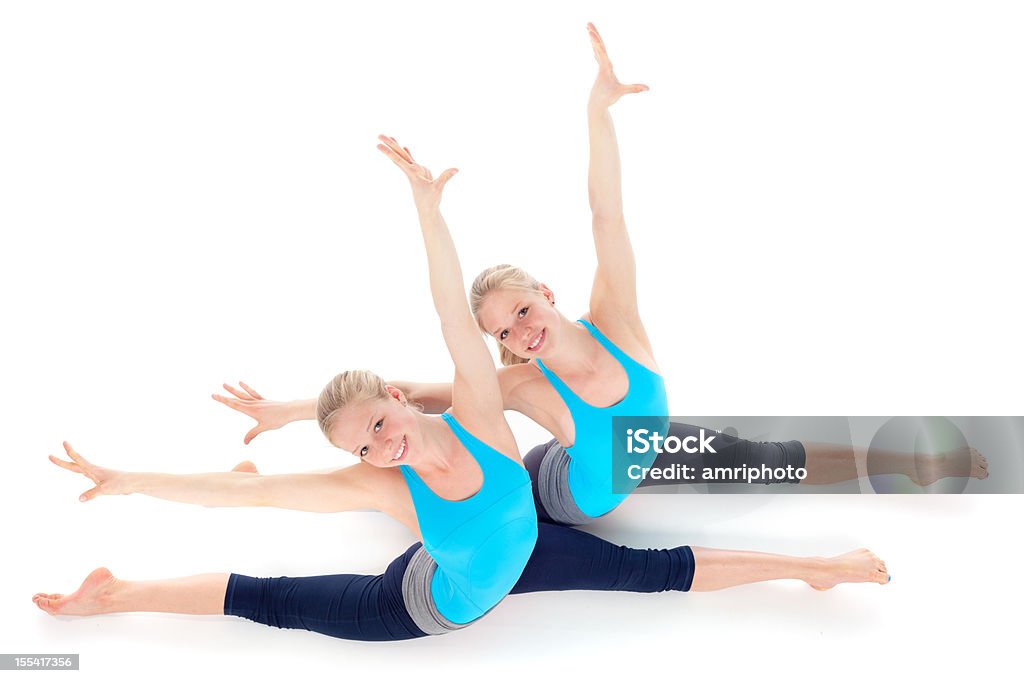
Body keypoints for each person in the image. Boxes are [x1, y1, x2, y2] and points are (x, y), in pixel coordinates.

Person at [34, 137, 890, 643]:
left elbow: (452, 314)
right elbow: (224, 498)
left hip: (541, 518)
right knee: (273, 598)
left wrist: (429, 207)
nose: (380, 447)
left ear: (401, 400)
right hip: (427, 600)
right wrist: (131, 478)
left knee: (670, 554)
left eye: (378, 425)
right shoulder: (387, 469)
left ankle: (835, 537)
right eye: (363, 448)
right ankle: (114, 596)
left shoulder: (481, 409)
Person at [210, 23, 989, 526]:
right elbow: (407, 399)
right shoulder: (524, 386)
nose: (517, 331)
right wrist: (286, 409)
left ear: (544, 293)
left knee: (774, 454)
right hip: (567, 495)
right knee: (418, 480)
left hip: (640, 457)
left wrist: (598, 114)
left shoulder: (616, 322)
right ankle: (262, 481)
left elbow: (605, 216)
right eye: (503, 331)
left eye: (518, 310)